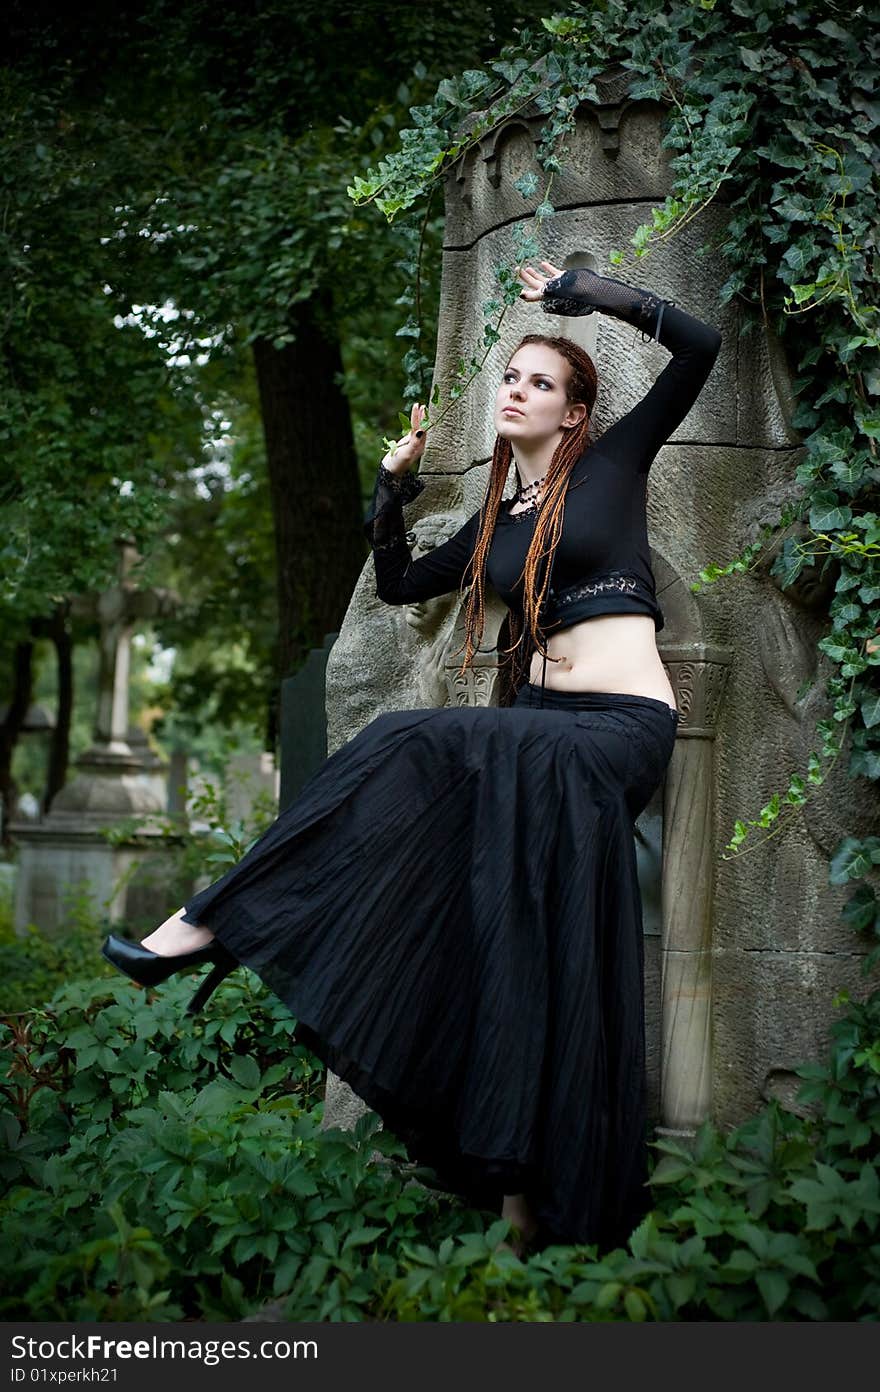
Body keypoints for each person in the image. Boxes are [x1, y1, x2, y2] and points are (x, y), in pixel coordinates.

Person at [102, 259, 722, 1257]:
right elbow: (395, 584)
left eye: (538, 382)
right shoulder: (494, 525)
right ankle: (526, 1209)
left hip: (617, 731)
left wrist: (589, 293)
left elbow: (700, 349)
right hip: (544, 736)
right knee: (513, 949)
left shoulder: (611, 468)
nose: (514, 390)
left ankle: (212, 920)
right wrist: (390, 484)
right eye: (509, 378)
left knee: (408, 737)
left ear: (572, 414)